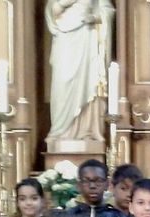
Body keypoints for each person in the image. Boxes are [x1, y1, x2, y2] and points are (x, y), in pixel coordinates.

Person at [45, 0, 113, 143]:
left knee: (89, 82)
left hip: (87, 38)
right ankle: (60, 132)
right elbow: (51, 10)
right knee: (62, 83)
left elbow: (107, 10)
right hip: (64, 40)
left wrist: (94, 17)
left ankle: (87, 131)